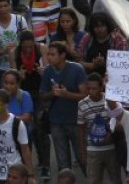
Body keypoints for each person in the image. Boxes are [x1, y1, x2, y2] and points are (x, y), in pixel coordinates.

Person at [39, 41, 86, 172]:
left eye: (52, 54)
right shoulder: (48, 71)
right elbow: (42, 95)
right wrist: (52, 93)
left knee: (83, 159)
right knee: (62, 164)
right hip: (56, 122)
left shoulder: (77, 69)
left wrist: (66, 94)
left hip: (77, 121)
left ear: (63, 55)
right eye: (48, 54)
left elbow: (85, 95)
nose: (49, 57)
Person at [76, 72, 120, 184]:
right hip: (92, 150)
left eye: (94, 89)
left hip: (111, 148)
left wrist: (111, 134)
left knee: (116, 179)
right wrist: (82, 153)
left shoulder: (110, 101)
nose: (91, 92)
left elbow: (117, 120)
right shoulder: (82, 104)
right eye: (89, 88)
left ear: (101, 87)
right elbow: (81, 130)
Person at [0, 88, 31, 183]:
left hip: (13, 175)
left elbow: (25, 150)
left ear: (6, 105)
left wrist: (30, 175)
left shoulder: (17, 124)